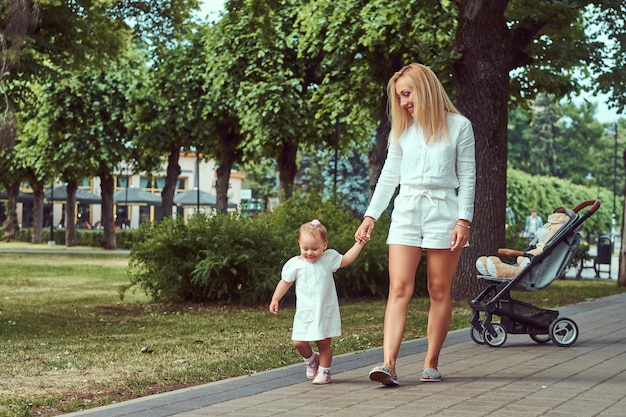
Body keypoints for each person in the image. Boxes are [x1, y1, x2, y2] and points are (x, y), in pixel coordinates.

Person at [354, 63, 476, 385]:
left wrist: (463, 221)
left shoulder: (459, 126)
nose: (404, 102)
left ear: (425, 88)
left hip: (444, 212)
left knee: (438, 289)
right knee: (398, 288)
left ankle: (431, 362)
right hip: (406, 211)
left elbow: (468, 177)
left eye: (407, 94)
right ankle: (388, 364)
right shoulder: (403, 132)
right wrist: (371, 216)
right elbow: (388, 177)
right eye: (400, 97)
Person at [269, 219, 366, 385]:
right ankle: (312, 359)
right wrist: (276, 298)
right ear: (299, 244)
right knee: (299, 342)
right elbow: (285, 282)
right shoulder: (295, 265)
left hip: (324, 310)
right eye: (305, 248)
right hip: (305, 312)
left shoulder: (328, 260)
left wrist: (359, 244)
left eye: (315, 248)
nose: (310, 253)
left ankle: (325, 371)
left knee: (324, 342)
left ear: (324, 245)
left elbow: (346, 259)